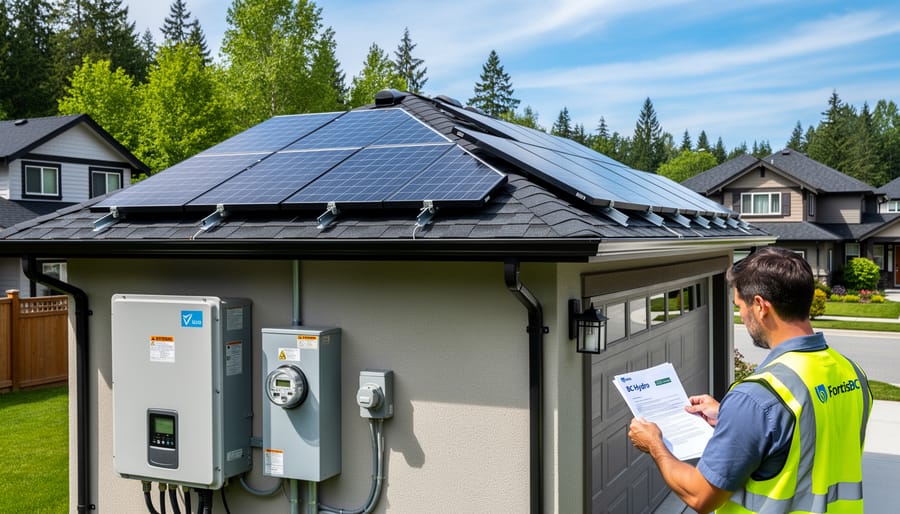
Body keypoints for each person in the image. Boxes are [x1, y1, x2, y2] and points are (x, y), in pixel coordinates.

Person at [628, 246, 873, 513]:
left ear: (760, 306)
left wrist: (655, 444)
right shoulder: (851, 372)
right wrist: (731, 416)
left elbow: (700, 496)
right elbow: (810, 434)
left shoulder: (757, 398)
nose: (742, 317)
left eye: (740, 307)